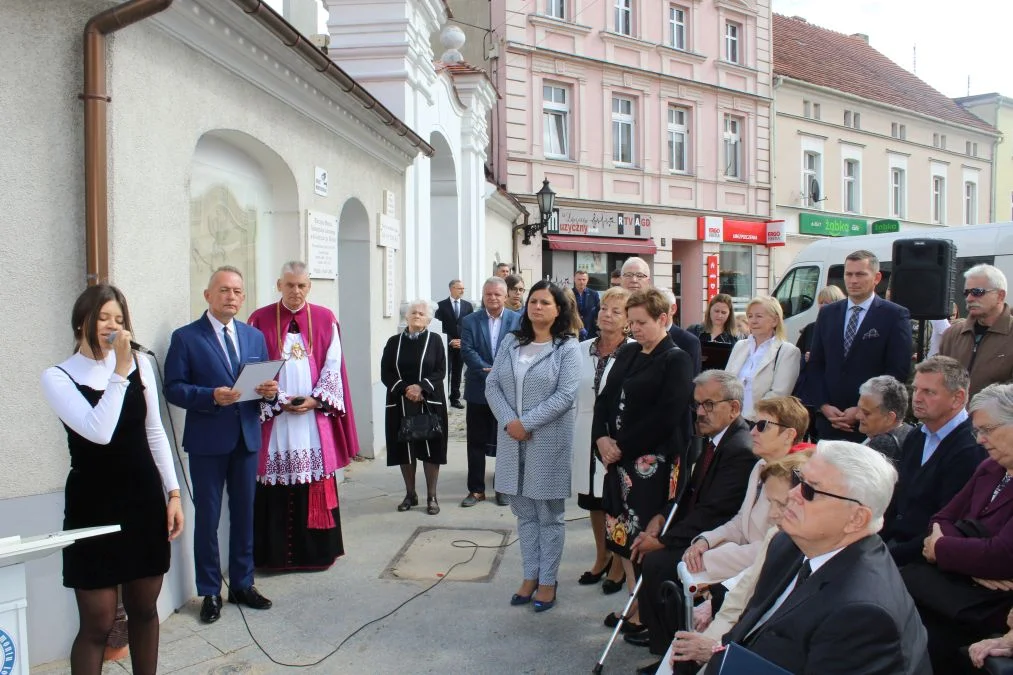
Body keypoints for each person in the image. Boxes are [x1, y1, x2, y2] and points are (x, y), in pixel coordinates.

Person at [42, 285, 184, 675]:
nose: (113, 326)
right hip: (93, 502)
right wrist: (120, 372)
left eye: (119, 319)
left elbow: (154, 432)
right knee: (98, 621)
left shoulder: (140, 365)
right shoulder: (58, 376)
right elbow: (98, 431)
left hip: (142, 496)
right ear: (80, 322)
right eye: (104, 317)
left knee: (143, 608)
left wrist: (172, 493)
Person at [705, 441, 930, 675]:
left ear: (856, 519)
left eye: (810, 490)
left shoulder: (863, 613)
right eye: (799, 479)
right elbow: (747, 628)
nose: (792, 493)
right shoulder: (788, 544)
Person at [164, 266, 278, 624]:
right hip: (207, 442)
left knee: (245, 514)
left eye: (237, 292)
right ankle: (210, 590)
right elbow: (174, 387)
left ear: (243, 298)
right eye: (224, 290)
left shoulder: (254, 337)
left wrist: (268, 391)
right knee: (209, 519)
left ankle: (242, 584)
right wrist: (210, 396)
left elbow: (261, 382)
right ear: (208, 295)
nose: (231, 296)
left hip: (246, 437)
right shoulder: (186, 338)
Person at [625, 371, 757, 668]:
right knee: (639, 541)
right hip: (698, 525)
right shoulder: (711, 440)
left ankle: (674, 653)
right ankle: (664, 638)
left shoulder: (739, 449)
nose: (700, 412)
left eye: (709, 405)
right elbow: (688, 493)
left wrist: (663, 542)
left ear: (734, 408)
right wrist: (661, 517)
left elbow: (714, 512)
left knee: (658, 562)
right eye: (697, 404)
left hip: (718, 535)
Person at [592, 289, 696, 640]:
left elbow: (667, 416)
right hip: (620, 462)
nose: (633, 329)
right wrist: (601, 439)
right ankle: (634, 603)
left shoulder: (676, 359)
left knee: (643, 539)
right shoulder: (630, 351)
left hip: (653, 466)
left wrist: (620, 446)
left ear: (664, 320)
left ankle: (646, 614)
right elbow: (605, 398)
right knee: (622, 536)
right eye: (631, 321)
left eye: (641, 322)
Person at [246, 261, 359, 573]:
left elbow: (333, 364)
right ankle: (274, 556)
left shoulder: (324, 319)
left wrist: (315, 399)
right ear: (279, 285)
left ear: (309, 287)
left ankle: (316, 554)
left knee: (312, 481)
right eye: (289, 285)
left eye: (301, 286)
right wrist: (278, 399)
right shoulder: (260, 319)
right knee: (274, 485)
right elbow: (253, 365)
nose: (295, 292)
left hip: (312, 419)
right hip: (276, 419)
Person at [666, 452, 812, 675]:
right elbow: (738, 600)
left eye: (782, 504)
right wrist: (708, 644)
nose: (772, 514)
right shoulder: (776, 536)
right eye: (770, 503)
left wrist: (717, 652)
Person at [486, 281, 581, 612]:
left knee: (549, 514)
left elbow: (566, 395)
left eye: (545, 302)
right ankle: (529, 575)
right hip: (512, 441)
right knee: (524, 514)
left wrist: (526, 423)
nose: (537, 307)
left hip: (548, 442)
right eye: (533, 301)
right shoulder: (513, 341)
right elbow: (492, 384)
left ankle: (548, 581)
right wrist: (511, 421)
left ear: (559, 309)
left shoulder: (567, 347)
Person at [907, 382, 1013, 674]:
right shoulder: (991, 467)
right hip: (952, 593)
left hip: (985, 609)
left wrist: (941, 548)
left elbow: (1002, 554)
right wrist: (972, 560)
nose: (980, 440)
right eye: (977, 431)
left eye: (988, 430)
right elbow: (939, 519)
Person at [681, 396, 810, 584]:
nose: (752, 432)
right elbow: (742, 521)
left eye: (763, 425)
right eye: (753, 424)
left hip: (766, 574)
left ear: (788, 435)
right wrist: (705, 541)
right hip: (742, 561)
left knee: (679, 573)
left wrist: (710, 558)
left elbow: (777, 545)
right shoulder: (760, 466)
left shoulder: (797, 479)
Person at [881, 356, 986, 567]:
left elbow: (949, 522)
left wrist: (887, 558)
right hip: (893, 545)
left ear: (957, 398)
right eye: (915, 389)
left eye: (928, 392)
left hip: (924, 558)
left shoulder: (971, 448)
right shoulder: (917, 435)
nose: (917, 398)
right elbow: (897, 498)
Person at [801, 250, 912, 442]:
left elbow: (897, 371)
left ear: (877, 277)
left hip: (869, 424)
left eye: (860, 274)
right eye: (848, 274)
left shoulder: (894, 315)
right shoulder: (828, 313)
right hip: (829, 422)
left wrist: (861, 409)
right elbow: (816, 364)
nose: (852, 280)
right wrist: (824, 406)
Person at [571, 287, 632, 593]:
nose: (606, 314)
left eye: (616, 311)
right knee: (593, 500)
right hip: (584, 432)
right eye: (604, 308)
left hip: (616, 436)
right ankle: (601, 556)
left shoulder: (634, 351)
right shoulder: (581, 349)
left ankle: (619, 565)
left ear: (628, 320)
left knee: (616, 501)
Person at [380, 300, 449, 515]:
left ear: (428, 319)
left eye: (421, 313)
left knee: (430, 450)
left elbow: (440, 370)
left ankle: (432, 496)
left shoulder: (435, 340)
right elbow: (386, 372)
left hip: (429, 402)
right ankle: (410, 494)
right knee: (405, 450)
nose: (417, 315)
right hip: (400, 403)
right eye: (413, 313)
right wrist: (405, 389)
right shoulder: (393, 342)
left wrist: (421, 388)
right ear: (406, 317)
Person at [459, 277, 522, 507]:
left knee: (506, 441)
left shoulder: (517, 320)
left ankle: (502, 488)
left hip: (507, 391)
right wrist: (489, 372)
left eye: (497, 294)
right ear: (483, 296)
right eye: (488, 294)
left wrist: (500, 373)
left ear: (505, 296)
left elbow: (520, 349)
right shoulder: (469, 321)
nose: (493, 298)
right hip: (478, 388)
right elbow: (467, 350)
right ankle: (476, 490)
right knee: (475, 441)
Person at [940, 264, 1013, 400]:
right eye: (966, 293)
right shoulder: (953, 334)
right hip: (954, 419)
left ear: (1000, 295)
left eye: (977, 292)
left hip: (996, 420)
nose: (969, 298)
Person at [724, 296, 802, 423]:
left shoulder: (788, 351)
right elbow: (726, 382)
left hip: (760, 423)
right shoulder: (740, 346)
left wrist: (750, 417)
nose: (753, 321)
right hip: (731, 420)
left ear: (775, 321)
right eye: (750, 316)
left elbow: (779, 394)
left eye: (759, 316)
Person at [857, 375, 915, 463]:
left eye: (866, 413)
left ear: (889, 418)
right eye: (859, 409)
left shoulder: (883, 444)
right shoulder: (912, 433)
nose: (858, 416)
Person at [434, 279, 473, 409]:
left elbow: (470, 326)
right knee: (447, 371)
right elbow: (440, 326)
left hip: (462, 344)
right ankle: (443, 396)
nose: (462, 291)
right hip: (447, 345)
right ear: (451, 289)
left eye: (463, 288)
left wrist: (463, 340)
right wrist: (450, 340)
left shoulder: (468, 306)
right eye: (459, 288)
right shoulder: (440, 306)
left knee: (457, 371)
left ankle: (455, 398)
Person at [660, 288, 703, 377]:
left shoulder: (689, 341)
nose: (652, 312)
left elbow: (692, 379)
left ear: (673, 309)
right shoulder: (638, 337)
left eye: (658, 307)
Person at [573, 270, 600, 338]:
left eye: (584, 279)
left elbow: (598, 312)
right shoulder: (569, 294)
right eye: (579, 279)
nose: (581, 282)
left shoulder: (594, 294)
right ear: (574, 279)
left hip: (590, 332)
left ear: (587, 280)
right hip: (573, 332)